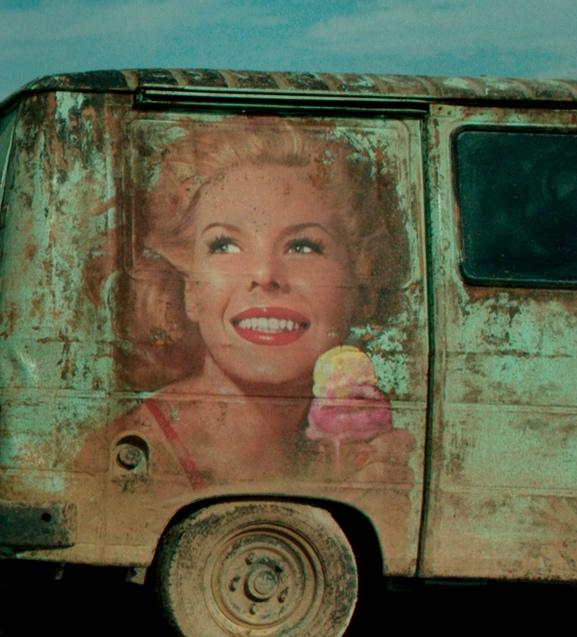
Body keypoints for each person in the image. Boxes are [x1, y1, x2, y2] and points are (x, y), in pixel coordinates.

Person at [104, 116, 412, 489]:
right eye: (225, 245)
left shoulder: (367, 447)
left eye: (303, 247)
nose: (265, 274)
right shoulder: (121, 458)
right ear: (190, 290)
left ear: (362, 286)